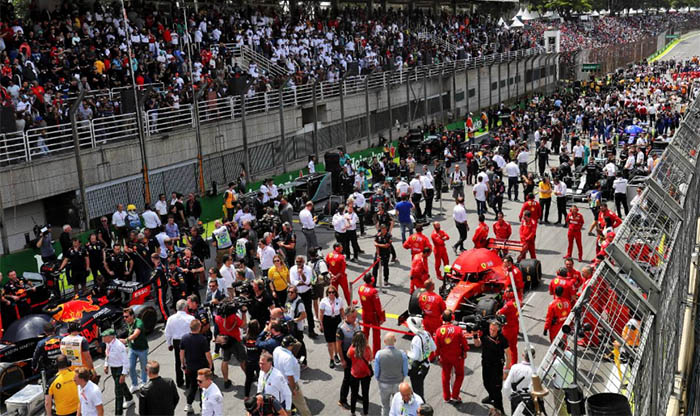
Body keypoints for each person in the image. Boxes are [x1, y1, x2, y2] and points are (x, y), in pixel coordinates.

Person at [473, 321, 510, 413]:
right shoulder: (485, 336)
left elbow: (508, 354)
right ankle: (491, 397)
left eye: (494, 330)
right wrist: (475, 335)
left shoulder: (502, 339)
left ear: (498, 330)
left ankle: (500, 410)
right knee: (486, 383)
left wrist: (506, 370)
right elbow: (477, 344)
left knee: (497, 389)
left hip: (497, 367)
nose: (491, 332)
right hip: (486, 365)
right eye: (490, 329)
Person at [435, 309, 469, 403]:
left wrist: (437, 357)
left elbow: (436, 347)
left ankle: (446, 397)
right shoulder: (458, 329)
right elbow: (464, 342)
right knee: (460, 375)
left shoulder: (438, 331)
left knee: (445, 376)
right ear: (452, 318)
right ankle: (455, 395)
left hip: (445, 358)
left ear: (441, 318)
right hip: (457, 357)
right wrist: (465, 351)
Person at [180, 319, 213, 413]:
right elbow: (207, 354)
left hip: (190, 367)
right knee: (204, 387)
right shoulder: (202, 339)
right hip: (202, 368)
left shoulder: (184, 338)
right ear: (199, 328)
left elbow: (181, 353)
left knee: (193, 386)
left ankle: (189, 404)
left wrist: (183, 364)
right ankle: (203, 406)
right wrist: (210, 364)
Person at [274, 335, 312, 416]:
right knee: (301, 404)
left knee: (287, 403)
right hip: (289, 384)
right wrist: (294, 388)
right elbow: (290, 376)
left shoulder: (277, 349)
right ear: (290, 345)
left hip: (279, 382)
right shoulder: (288, 358)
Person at [214, 298, 248, 389]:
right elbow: (244, 325)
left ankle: (226, 381)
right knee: (242, 360)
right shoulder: (233, 317)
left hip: (224, 341)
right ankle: (249, 377)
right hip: (235, 341)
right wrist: (244, 313)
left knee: (225, 360)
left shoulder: (217, 317)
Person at [374, 333, 409, 416]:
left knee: (385, 406)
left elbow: (376, 372)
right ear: (395, 341)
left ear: (384, 341)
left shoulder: (379, 354)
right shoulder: (402, 354)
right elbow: (405, 371)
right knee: (399, 405)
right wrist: (402, 377)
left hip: (384, 384)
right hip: (398, 383)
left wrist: (379, 379)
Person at [102, 329, 134, 415]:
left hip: (120, 368)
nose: (103, 338)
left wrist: (123, 374)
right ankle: (129, 398)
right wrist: (106, 365)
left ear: (111, 337)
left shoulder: (119, 346)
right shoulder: (108, 343)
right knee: (121, 385)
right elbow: (107, 354)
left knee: (118, 392)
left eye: (105, 336)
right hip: (113, 368)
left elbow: (125, 361)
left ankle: (118, 413)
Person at [164, 299, 195, 387]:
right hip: (188, 341)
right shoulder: (191, 318)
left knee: (178, 361)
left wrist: (169, 344)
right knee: (189, 361)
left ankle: (179, 381)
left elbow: (167, 333)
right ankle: (189, 381)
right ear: (186, 308)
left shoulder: (171, 319)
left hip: (177, 342)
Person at [405, 317, 436, 403]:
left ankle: (422, 407)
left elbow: (415, 356)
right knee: (419, 388)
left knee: (418, 393)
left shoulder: (416, 339)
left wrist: (407, 353)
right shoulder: (426, 333)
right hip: (426, 365)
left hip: (417, 368)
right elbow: (434, 347)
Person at [337, 305, 362, 410]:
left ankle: (355, 394)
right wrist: (342, 360)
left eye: (355, 316)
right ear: (346, 316)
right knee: (347, 378)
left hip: (357, 354)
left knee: (356, 377)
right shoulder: (341, 328)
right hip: (347, 355)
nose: (355, 319)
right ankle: (342, 400)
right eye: (352, 317)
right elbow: (338, 346)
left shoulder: (356, 323)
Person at [502, 348, 539, 416]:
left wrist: (511, 398)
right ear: (534, 357)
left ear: (523, 355)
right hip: (530, 401)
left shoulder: (515, 368)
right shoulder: (537, 370)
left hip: (517, 400)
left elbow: (506, 386)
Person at [289, 256, 317, 338]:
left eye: (300, 262)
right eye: (297, 261)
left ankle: (311, 330)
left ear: (303, 262)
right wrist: (304, 283)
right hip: (297, 293)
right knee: (296, 311)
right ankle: (297, 329)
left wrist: (302, 274)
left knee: (308, 311)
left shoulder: (308, 269)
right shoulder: (292, 269)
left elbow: (308, 281)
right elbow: (293, 282)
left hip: (306, 293)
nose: (298, 263)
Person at [122, 307, 149, 390]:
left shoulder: (138, 322)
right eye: (124, 316)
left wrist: (126, 340)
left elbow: (136, 334)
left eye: (126, 316)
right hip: (132, 348)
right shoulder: (128, 322)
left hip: (142, 349)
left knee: (143, 367)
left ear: (132, 316)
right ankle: (135, 384)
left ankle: (144, 382)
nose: (125, 318)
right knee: (130, 367)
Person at [319, 285, 346, 368]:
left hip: (337, 320)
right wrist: (321, 324)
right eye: (329, 292)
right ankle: (331, 359)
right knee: (330, 342)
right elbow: (321, 313)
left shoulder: (339, 300)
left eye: (333, 292)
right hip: (327, 321)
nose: (331, 294)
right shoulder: (324, 301)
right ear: (327, 293)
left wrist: (344, 320)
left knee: (336, 340)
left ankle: (336, 355)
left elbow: (341, 310)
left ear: (335, 293)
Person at [348, 331, 373, 416]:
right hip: (365, 374)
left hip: (354, 374)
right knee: (365, 395)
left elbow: (348, 355)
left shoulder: (352, 350)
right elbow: (371, 358)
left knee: (354, 394)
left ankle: (353, 412)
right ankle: (365, 413)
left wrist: (352, 344)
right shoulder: (367, 349)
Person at [497, 290, 520, 368]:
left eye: (506, 291)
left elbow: (499, 313)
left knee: (502, 347)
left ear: (510, 293)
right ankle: (514, 364)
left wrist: (498, 312)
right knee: (513, 347)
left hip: (508, 329)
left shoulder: (508, 305)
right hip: (515, 327)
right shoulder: (518, 301)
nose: (505, 292)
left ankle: (502, 364)